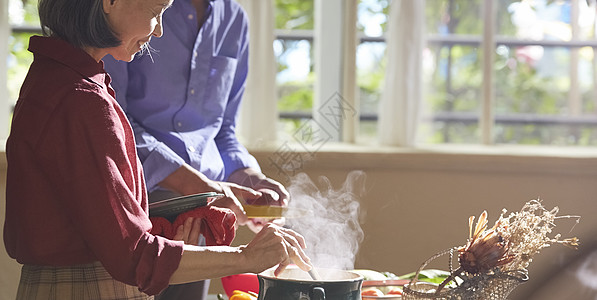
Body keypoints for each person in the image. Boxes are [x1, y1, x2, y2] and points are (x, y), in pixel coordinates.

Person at [3, 0, 312, 299]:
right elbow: (134, 255)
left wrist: (163, 231)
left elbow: (103, 228)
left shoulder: (69, 82)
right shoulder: (81, 100)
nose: (159, 30)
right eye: (156, 11)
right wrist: (247, 258)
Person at [103, 0, 289, 298]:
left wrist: (247, 175)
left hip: (204, 215)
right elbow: (111, 120)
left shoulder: (234, 19)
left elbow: (222, 128)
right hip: (139, 203)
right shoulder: (141, 10)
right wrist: (198, 186)